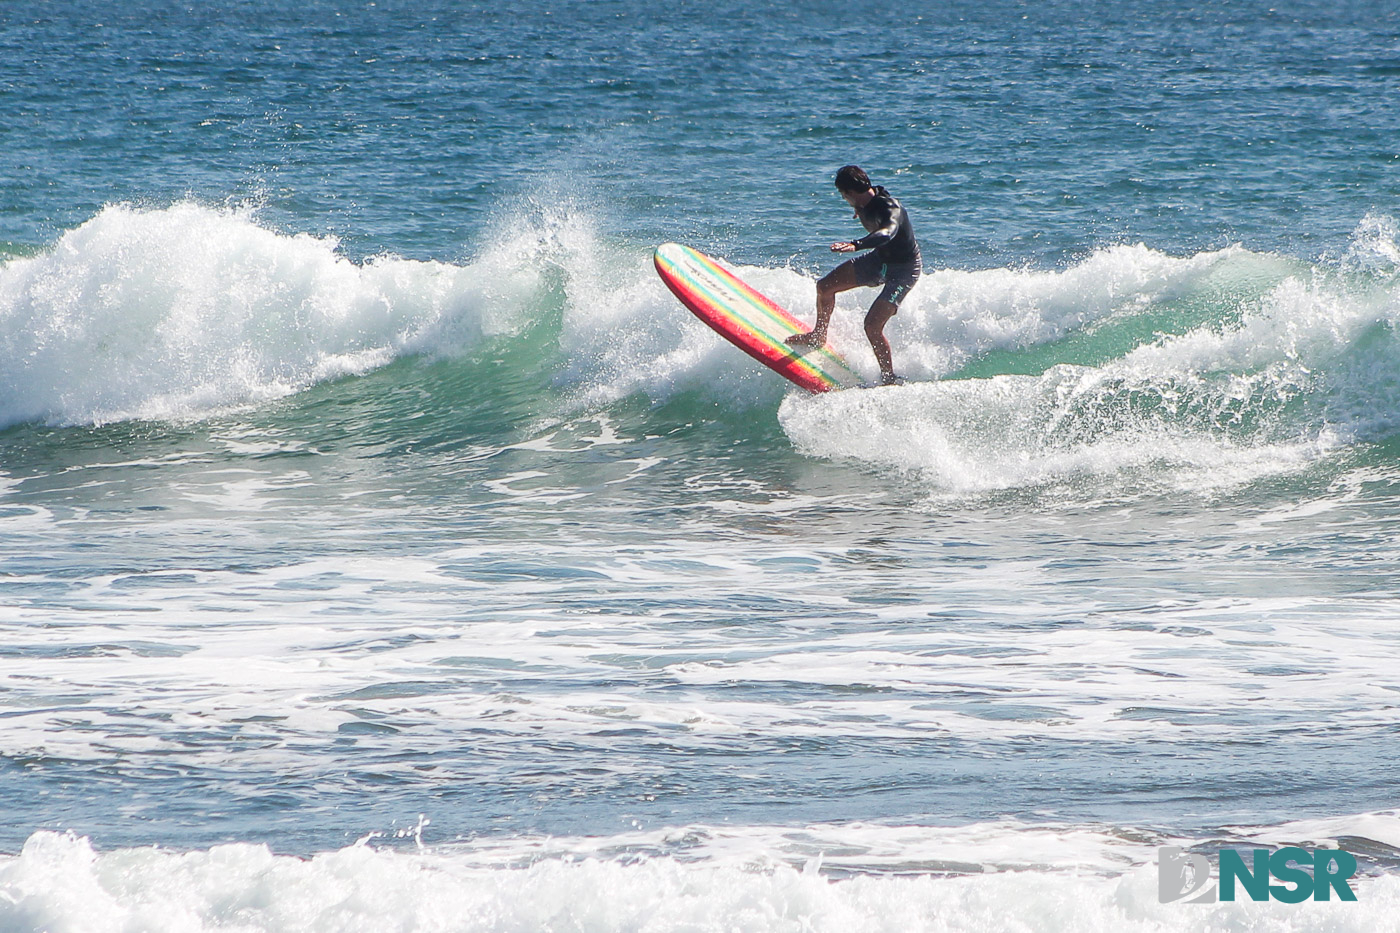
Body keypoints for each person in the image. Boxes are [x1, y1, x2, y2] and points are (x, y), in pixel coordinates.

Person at [786, 165, 921, 386]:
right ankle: (818, 335)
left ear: (849, 192)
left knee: (872, 326)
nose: (844, 199)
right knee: (825, 286)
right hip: (879, 260)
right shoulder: (866, 201)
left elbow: (886, 233)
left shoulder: (890, 208)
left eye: (843, 195)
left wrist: (856, 244)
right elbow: (872, 206)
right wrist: (861, 210)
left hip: (904, 271)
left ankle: (889, 378)